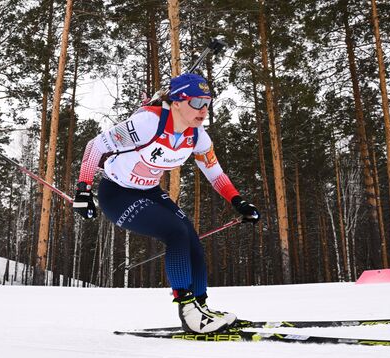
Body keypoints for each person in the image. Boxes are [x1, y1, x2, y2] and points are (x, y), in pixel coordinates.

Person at [73, 73, 260, 333]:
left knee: (190, 235)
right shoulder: (147, 123)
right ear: (176, 102)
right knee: (175, 232)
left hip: (149, 191)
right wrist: (83, 191)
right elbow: (95, 146)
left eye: (207, 102)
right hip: (117, 193)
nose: (203, 109)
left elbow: (215, 173)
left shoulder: (198, 137)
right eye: (196, 102)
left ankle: (200, 307)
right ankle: (188, 310)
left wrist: (238, 201)